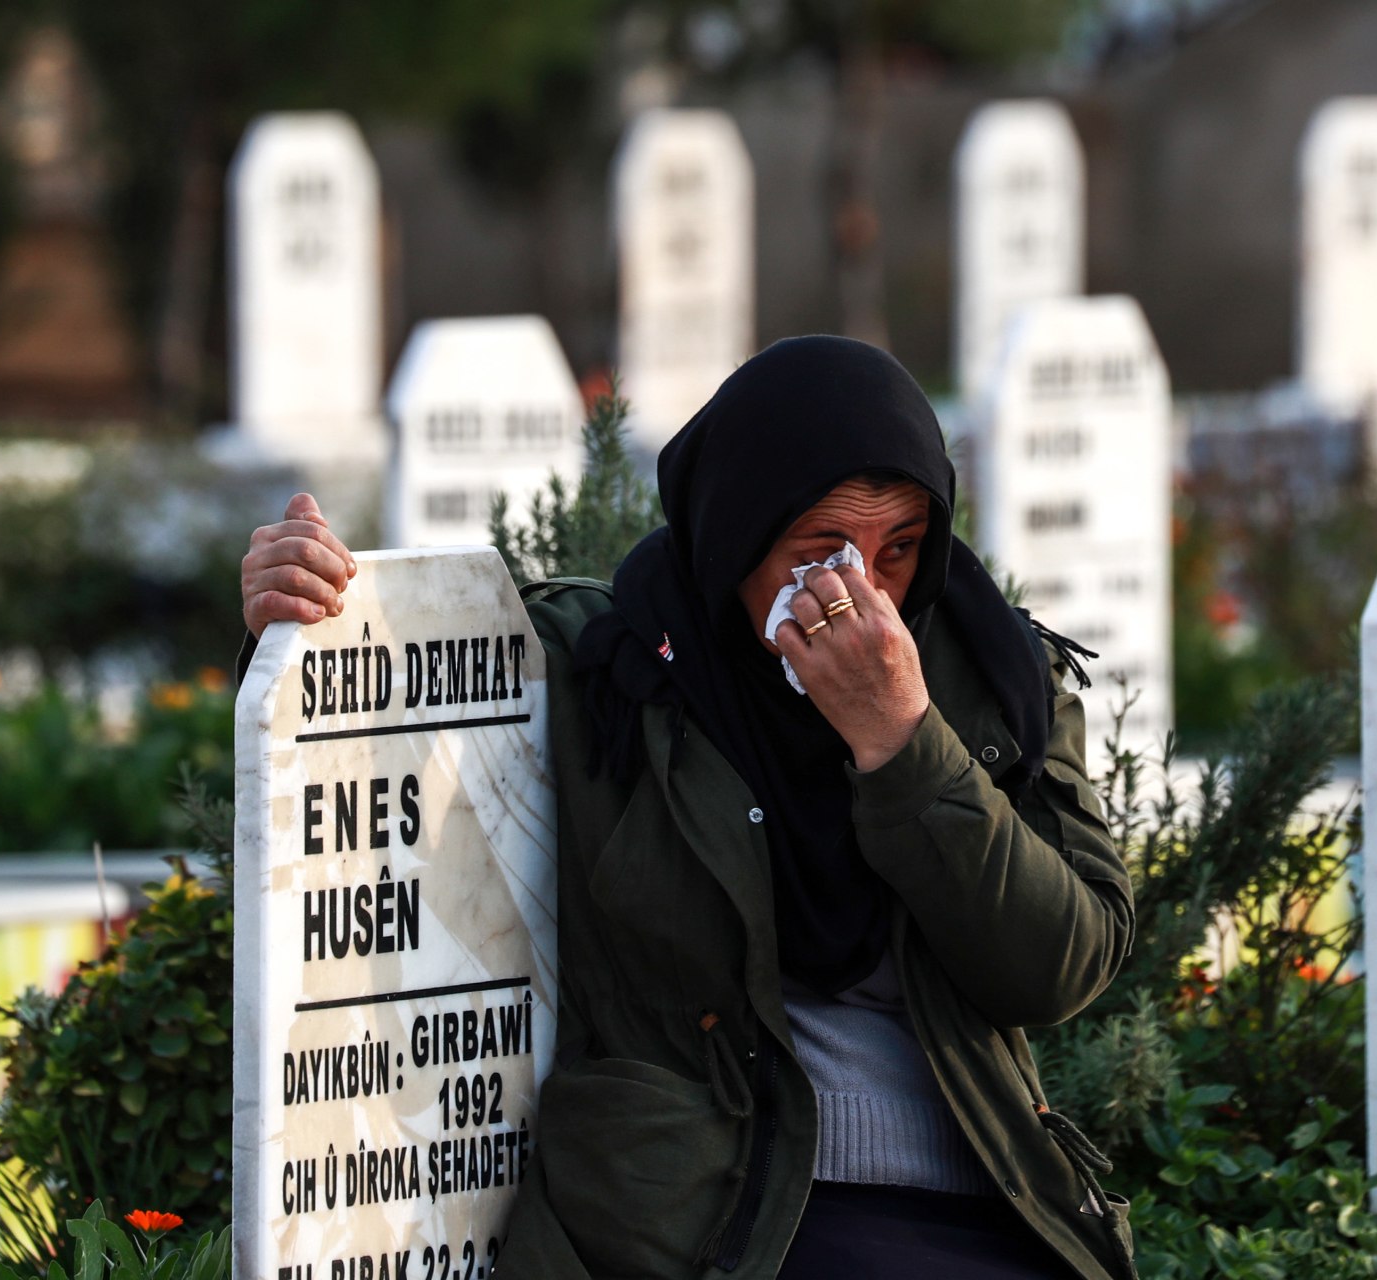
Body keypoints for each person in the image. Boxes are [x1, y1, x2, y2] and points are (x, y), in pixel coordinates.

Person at [240, 336, 1135, 1280]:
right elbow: (378, 714)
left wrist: (904, 742)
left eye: (901, 548)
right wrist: (288, 615)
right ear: (738, 537)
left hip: (981, 1196)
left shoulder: (995, 679)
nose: (863, 589)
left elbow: (1061, 967)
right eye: (821, 550)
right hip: (708, 1211)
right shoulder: (607, 673)